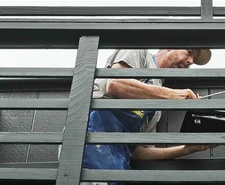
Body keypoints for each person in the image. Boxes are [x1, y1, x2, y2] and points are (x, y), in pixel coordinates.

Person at [83, 48, 213, 181]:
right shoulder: (138, 52)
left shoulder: (157, 111)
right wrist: (171, 94)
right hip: (89, 144)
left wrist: (189, 149)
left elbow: (138, 152)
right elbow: (116, 83)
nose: (190, 61)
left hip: (117, 165)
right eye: (190, 52)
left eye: (194, 60)